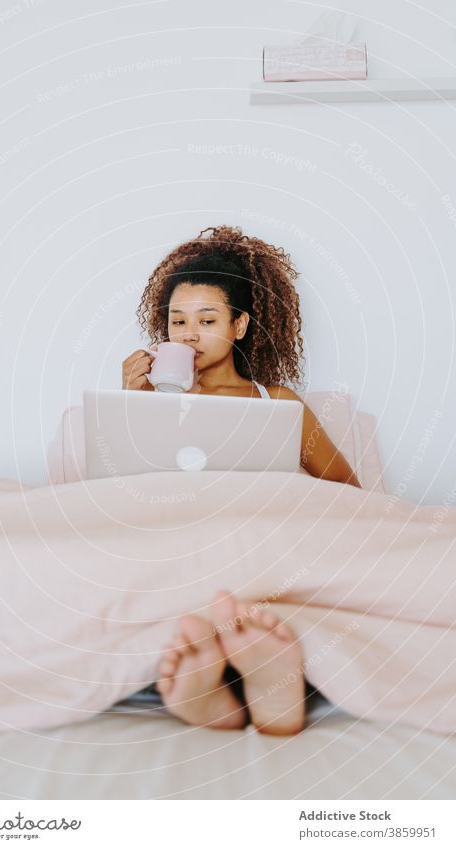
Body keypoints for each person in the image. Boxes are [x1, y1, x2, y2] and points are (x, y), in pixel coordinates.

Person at [121, 224, 361, 735]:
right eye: (177, 320)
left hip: (265, 539)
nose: (188, 333)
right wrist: (132, 404)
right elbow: (120, 493)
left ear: (240, 326)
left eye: (207, 319)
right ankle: (225, 695)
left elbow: (346, 492)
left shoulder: (280, 403)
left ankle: (255, 685)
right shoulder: (143, 403)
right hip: (180, 537)